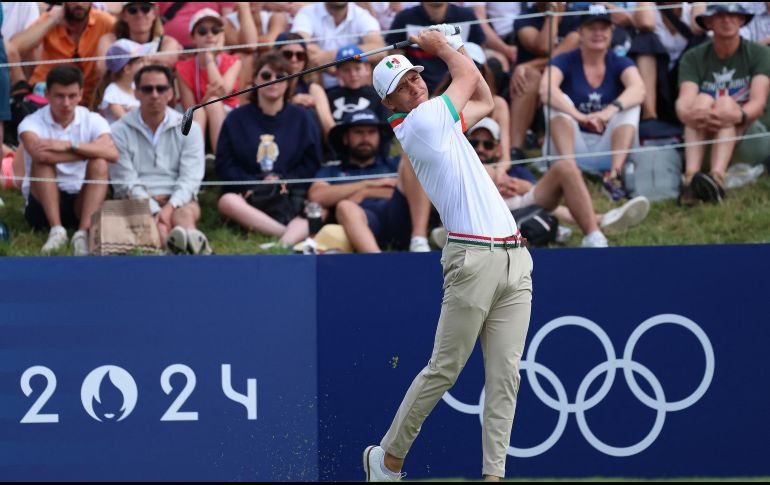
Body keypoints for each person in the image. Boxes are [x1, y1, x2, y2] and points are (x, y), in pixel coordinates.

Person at [363, 25, 532, 481]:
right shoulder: (420, 122)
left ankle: (493, 476)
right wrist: (442, 46)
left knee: (506, 377)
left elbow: (487, 101)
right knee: (444, 370)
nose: (415, 85)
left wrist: (449, 46)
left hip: (515, 259)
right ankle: (388, 458)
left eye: (416, 77)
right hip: (472, 259)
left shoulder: (440, 121)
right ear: (390, 104)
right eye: (403, 87)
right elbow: (464, 76)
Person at [467, 117, 650, 248]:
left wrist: (526, 187)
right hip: (482, 213)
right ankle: (602, 220)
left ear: (498, 148)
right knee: (486, 172)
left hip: (521, 207)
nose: (480, 148)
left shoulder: (517, 170)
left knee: (566, 167)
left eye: (487, 144)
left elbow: (548, 204)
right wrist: (495, 176)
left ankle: (594, 234)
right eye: (474, 143)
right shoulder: (463, 165)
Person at [216, 53, 322, 248]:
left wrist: (285, 180)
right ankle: (286, 234)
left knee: (319, 207)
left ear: (289, 83)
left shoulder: (303, 118)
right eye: (266, 76)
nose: (273, 82)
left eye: (280, 77)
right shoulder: (236, 119)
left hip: (290, 193)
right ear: (255, 80)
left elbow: (311, 162)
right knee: (227, 201)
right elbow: (225, 163)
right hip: (250, 195)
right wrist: (254, 183)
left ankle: (282, 243)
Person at [541, 5, 646, 200]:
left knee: (630, 105)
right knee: (557, 102)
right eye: (592, 28)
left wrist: (607, 113)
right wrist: (579, 116)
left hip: (607, 143)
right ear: (580, 31)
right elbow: (545, 89)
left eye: (603, 28)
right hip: (572, 144)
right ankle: (571, 174)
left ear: (611, 32)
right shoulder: (565, 60)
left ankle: (614, 177)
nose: (598, 33)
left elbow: (639, 89)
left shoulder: (619, 61)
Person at [18, 65, 118, 256]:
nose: (66, 103)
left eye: (72, 96)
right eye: (59, 96)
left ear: (81, 94)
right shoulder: (30, 122)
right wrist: (91, 150)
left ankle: (83, 233)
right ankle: (56, 230)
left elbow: (112, 155)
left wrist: (67, 145)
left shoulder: (93, 119)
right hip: (41, 204)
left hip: (82, 198)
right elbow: (41, 155)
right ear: (47, 94)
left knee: (100, 163)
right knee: (43, 163)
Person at [676, 4, 770, 205]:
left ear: (742, 20)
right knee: (700, 102)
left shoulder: (759, 53)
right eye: (719, 16)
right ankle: (692, 179)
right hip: (705, 136)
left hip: (749, 134)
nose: (727, 20)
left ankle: (714, 179)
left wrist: (736, 116)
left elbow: (758, 103)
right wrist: (692, 114)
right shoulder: (693, 57)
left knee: (726, 104)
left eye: (733, 15)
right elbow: (684, 100)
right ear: (708, 22)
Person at [111, 65, 210, 255]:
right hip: (136, 200)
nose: (154, 95)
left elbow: (191, 177)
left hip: (179, 198)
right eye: (147, 89)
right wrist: (156, 210)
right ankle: (193, 252)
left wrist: (171, 206)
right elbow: (125, 181)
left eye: (161, 89)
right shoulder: (118, 130)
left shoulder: (191, 128)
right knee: (160, 227)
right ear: (136, 93)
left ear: (171, 93)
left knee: (185, 215)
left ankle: (187, 243)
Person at [309, 109, 431, 253]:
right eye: (358, 132)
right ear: (346, 138)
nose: (366, 138)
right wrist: (368, 184)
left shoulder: (395, 163)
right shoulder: (332, 169)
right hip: (361, 222)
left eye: (371, 132)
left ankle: (419, 241)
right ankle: (378, 261)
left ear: (379, 136)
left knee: (412, 156)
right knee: (345, 206)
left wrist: (364, 193)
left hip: (399, 214)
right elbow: (316, 196)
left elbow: (416, 192)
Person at [12, 2, 114, 107]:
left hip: (87, 102)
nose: (79, 4)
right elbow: (14, 48)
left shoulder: (103, 21)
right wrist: (53, 20)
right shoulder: (50, 18)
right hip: (46, 97)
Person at [176, 9, 241, 153]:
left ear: (221, 35)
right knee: (201, 110)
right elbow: (190, 108)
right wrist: (208, 98)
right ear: (193, 38)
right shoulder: (183, 68)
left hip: (228, 114)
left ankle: (220, 160)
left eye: (215, 30)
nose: (210, 34)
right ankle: (196, 161)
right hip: (200, 116)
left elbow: (223, 92)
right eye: (203, 31)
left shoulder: (233, 61)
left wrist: (209, 58)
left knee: (214, 103)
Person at [386, 2, 486, 95]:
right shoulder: (404, 17)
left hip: (460, 87)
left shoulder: (466, 15)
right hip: (420, 90)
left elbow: (479, 54)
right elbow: (395, 60)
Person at [291, 2, 385, 88]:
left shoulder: (361, 15)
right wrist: (329, 67)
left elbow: (379, 49)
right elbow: (296, 44)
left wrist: (328, 57)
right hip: (319, 85)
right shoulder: (308, 13)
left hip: (356, 85)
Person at [275, 32, 335, 140]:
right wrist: (290, 102)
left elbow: (328, 125)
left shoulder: (313, 89)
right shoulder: (265, 83)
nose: (294, 60)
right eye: (287, 54)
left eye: (300, 55)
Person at [96, 2, 184, 73]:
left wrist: (126, 63)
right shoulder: (110, 39)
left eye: (145, 9)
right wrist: (153, 59)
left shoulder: (167, 41)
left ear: (155, 13)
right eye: (132, 10)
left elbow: (170, 60)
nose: (139, 15)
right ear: (124, 16)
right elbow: (102, 68)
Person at [326, 45, 389, 124]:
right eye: (346, 70)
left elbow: (384, 126)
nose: (353, 74)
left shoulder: (378, 95)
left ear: (368, 69)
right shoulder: (330, 96)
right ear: (338, 73)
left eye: (357, 68)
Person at [96, 39, 149, 124]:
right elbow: (125, 120)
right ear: (127, 69)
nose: (145, 65)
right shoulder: (112, 92)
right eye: (140, 62)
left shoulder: (137, 87)